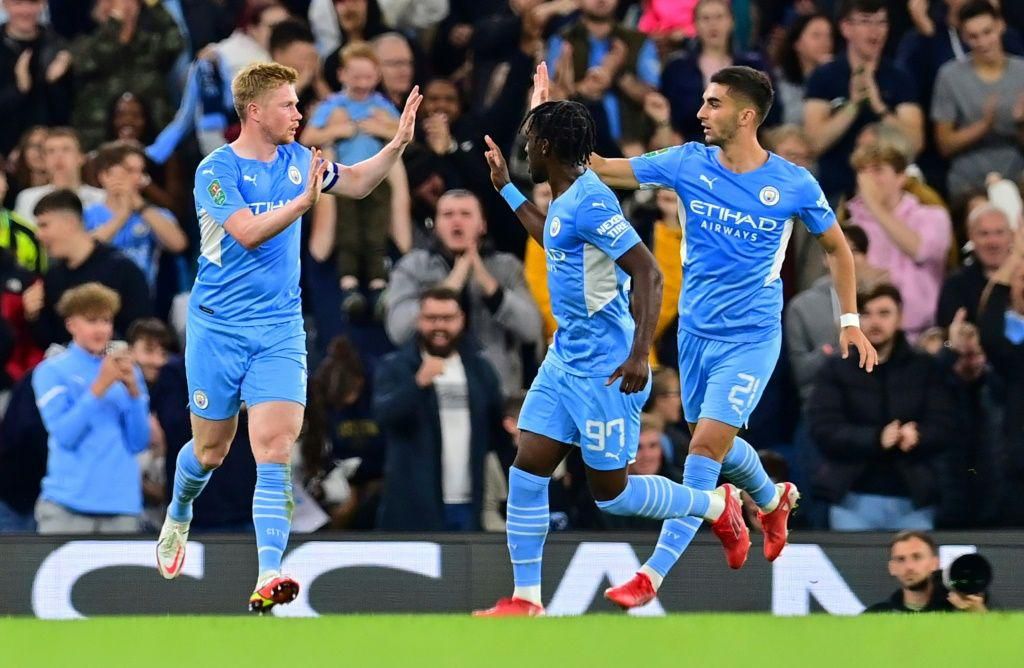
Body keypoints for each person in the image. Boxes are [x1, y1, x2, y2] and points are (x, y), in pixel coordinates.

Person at [588, 65, 878, 608]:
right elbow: (607, 169)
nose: (700, 113)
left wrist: (850, 321)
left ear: (745, 116)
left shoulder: (792, 183)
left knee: (702, 449)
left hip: (751, 338)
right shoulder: (687, 163)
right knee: (716, 445)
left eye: (713, 103)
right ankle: (772, 500)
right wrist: (553, 128)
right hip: (695, 333)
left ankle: (651, 574)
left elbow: (837, 248)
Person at [154, 61, 422, 614]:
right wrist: (300, 204)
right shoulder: (216, 169)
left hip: (278, 329)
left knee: (275, 449)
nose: (300, 115)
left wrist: (396, 144)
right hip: (218, 327)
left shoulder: (302, 161)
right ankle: (179, 511)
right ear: (255, 112)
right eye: (289, 105)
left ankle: (269, 573)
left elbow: (359, 182)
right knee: (210, 452)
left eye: (299, 104)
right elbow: (247, 233)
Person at [474, 77, 746, 617]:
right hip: (565, 357)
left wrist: (640, 353)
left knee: (612, 494)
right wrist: (505, 187)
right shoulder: (566, 200)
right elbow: (550, 233)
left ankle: (718, 504)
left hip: (605, 364)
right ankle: (527, 598)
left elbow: (648, 272)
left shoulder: (593, 201)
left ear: (547, 147)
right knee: (527, 470)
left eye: (529, 140)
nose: (524, 148)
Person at [809, 284, 954, 531]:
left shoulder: (925, 368)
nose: (874, 321)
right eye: (865, 314)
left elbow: (946, 425)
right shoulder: (835, 369)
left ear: (900, 318)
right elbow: (824, 430)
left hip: (915, 500)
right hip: (851, 500)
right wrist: (876, 438)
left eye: (884, 313)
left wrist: (919, 435)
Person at [373, 287, 509, 532]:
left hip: (469, 502)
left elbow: (497, 433)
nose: (439, 327)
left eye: (447, 319)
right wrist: (416, 384)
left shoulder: (480, 370)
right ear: (419, 321)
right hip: (414, 507)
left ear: (462, 320)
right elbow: (383, 416)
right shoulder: (396, 367)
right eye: (431, 319)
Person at [31, 282, 149, 533]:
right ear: (71, 324)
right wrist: (101, 385)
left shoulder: (128, 371)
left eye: (106, 321)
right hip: (68, 506)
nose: (101, 329)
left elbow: (139, 441)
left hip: (122, 507)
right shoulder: (51, 371)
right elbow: (65, 434)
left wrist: (134, 393)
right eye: (92, 320)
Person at [803, 0, 923, 204]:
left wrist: (879, 107)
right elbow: (813, 143)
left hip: (891, 196)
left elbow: (915, 144)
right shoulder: (824, 77)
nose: (875, 31)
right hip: (836, 192)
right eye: (866, 22)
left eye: (881, 22)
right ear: (846, 27)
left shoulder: (900, 78)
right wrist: (853, 106)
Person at [24, 189, 151, 349]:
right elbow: (50, 342)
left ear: (70, 223)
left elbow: (140, 330)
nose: (38, 235)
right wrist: (34, 315)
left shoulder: (122, 269)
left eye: (44, 225)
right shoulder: (53, 276)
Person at [932, 1, 1024, 198]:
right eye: (974, 36)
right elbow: (945, 145)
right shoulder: (949, 77)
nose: (982, 42)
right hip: (968, 183)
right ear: (964, 37)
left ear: (1000, 26)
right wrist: (983, 126)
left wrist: (1021, 124)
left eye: (987, 32)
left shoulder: (1022, 72)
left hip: (1018, 177)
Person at [84, 140, 188, 290]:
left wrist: (140, 206)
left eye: (141, 171)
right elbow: (83, 251)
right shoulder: (86, 213)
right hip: (97, 299)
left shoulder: (155, 214)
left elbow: (178, 245)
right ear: (105, 175)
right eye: (129, 171)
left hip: (142, 300)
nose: (138, 178)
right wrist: (122, 216)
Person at [864, 530, 988, 612]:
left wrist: (977, 613)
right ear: (892, 568)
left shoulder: (962, 605)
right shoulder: (876, 614)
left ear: (934, 563)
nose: (909, 566)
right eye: (901, 559)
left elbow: (998, 646)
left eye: (917, 557)